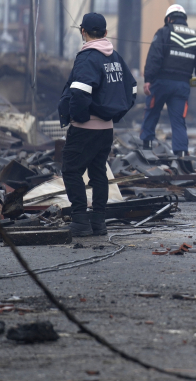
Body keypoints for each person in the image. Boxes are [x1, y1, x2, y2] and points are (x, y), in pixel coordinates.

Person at [58, 13, 137, 237]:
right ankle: (98, 222)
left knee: (71, 171)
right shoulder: (115, 58)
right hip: (106, 129)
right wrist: (115, 114)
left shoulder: (88, 58)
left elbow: (80, 93)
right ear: (105, 33)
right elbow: (131, 89)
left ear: (83, 32)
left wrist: (80, 118)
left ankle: (81, 221)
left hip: (85, 128)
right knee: (98, 173)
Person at [140, 4, 196, 156]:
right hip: (182, 86)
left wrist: (148, 79)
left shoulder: (164, 32)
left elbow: (154, 57)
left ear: (169, 19)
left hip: (160, 83)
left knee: (152, 114)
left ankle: (146, 148)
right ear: (184, 19)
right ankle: (181, 154)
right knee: (178, 121)